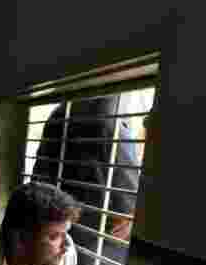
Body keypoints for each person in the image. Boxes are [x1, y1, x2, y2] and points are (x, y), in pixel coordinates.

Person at [31, 94, 142, 242]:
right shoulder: (108, 118)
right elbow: (129, 208)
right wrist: (131, 208)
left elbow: (39, 177)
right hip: (94, 235)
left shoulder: (57, 115)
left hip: (57, 228)